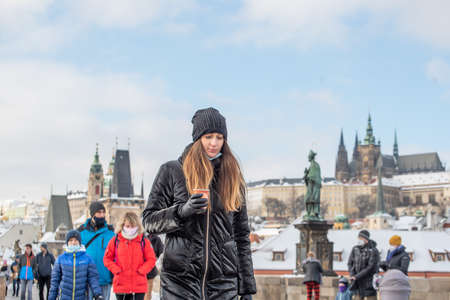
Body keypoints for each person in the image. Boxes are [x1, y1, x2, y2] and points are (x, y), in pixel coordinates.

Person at [142, 107, 257, 300]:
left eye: (219, 137)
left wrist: (246, 287)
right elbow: (149, 222)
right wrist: (181, 212)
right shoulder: (172, 171)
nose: (214, 143)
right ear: (197, 139)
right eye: (208, 137)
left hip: (223, 283)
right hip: (180, 281)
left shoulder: (233, 176)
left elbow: (241, 236)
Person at [104, 212, 157, 300]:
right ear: (122, 225)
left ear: (137, 226)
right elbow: (107, 259)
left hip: (139, 285)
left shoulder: (143, 241)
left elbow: (151, 259)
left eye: (133, 226)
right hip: (121, 285)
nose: (130, 229)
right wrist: (116, 269)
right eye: (128, 226)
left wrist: (142, 270)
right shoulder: (115, 241)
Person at [48, 230, 103, 300]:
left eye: (76, 240)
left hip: (82, 297)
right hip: (64, 297)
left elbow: (93, 278)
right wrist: (51, 297)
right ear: (67, 243)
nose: (73, 243)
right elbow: (55, 281)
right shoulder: (61, 259)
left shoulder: (87, 259)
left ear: (79, 242)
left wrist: (98, 294)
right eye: (71, 240)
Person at [78, 202, 115, 300]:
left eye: (103, 212)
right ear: (92, 214)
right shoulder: (81, 232)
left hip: (105, 278)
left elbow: (116, 255)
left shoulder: (110, 232)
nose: (102, 215)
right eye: (99, 212)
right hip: (87, 279)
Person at [347, 230, 379, 300]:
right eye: (358, 238)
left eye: (360, 238)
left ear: (366, 239)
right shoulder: (355, 248)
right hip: (357, 283)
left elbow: (370, 267)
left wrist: (357, 276)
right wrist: (352, 274)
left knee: (371, 297)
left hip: (368, 282)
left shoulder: (373, 250)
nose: (359, 240)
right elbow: (350, 263)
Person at [144, 234, 164, 300]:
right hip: (138, 271)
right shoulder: (138, 236)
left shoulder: (156, 239)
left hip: (149, 272)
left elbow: (161, 253)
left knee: (147, 293)